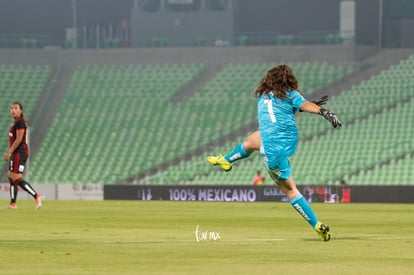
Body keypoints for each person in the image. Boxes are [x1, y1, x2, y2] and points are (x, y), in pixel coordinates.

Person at [255, 64, 341, 241]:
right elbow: (300, 103)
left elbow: (290, 108)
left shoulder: (263, 97)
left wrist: (304, 106)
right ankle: (317, 225)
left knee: (250, 143)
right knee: (292, 192)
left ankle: (227, 160)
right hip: (278, 150)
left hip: (269, 149)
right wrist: (322, 111)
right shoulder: (291, 94)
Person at [207, 95, 328, 171]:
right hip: (273, 132)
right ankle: (227, 159)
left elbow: (291, 105)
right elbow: (290, 105)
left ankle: (227, 159)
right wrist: (308, 106)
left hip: (279, 135)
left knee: (291, 192)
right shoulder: (278, 94)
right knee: (249, 143)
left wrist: (311, 106)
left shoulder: (271, 94)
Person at [4, 102, 42, 209]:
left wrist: (10, 152)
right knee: (11, 177)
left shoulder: (20, 122)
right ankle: (13, 203)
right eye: (11, 108)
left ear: (21, 110)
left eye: (16, 108)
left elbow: (19, 139)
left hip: (20, 152)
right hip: (16, 152)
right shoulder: (16, 122)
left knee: (16, 178)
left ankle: (36, 196)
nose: (13, 110)